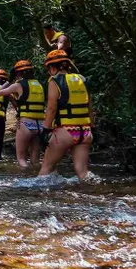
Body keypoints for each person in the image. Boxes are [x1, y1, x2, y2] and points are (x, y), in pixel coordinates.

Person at [39, 50, 93, 180]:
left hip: (66, 131)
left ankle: (40, 197)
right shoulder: (82, 79)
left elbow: (51, 108)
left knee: (46, 169)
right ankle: (91, 191)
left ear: (52, 67)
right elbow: (89, 106)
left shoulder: (54, 81)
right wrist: (92, 125)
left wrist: (45, 131)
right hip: (85, 132)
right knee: (83, 173)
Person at [0, 59, 45, 169]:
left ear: (17, 73)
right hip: (40, 124)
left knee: (22, 159)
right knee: (35, 161)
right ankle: (36, 178)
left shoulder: (18, 85)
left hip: (26, 123)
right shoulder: (39, 85)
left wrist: (9, 80)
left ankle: (25, 182)